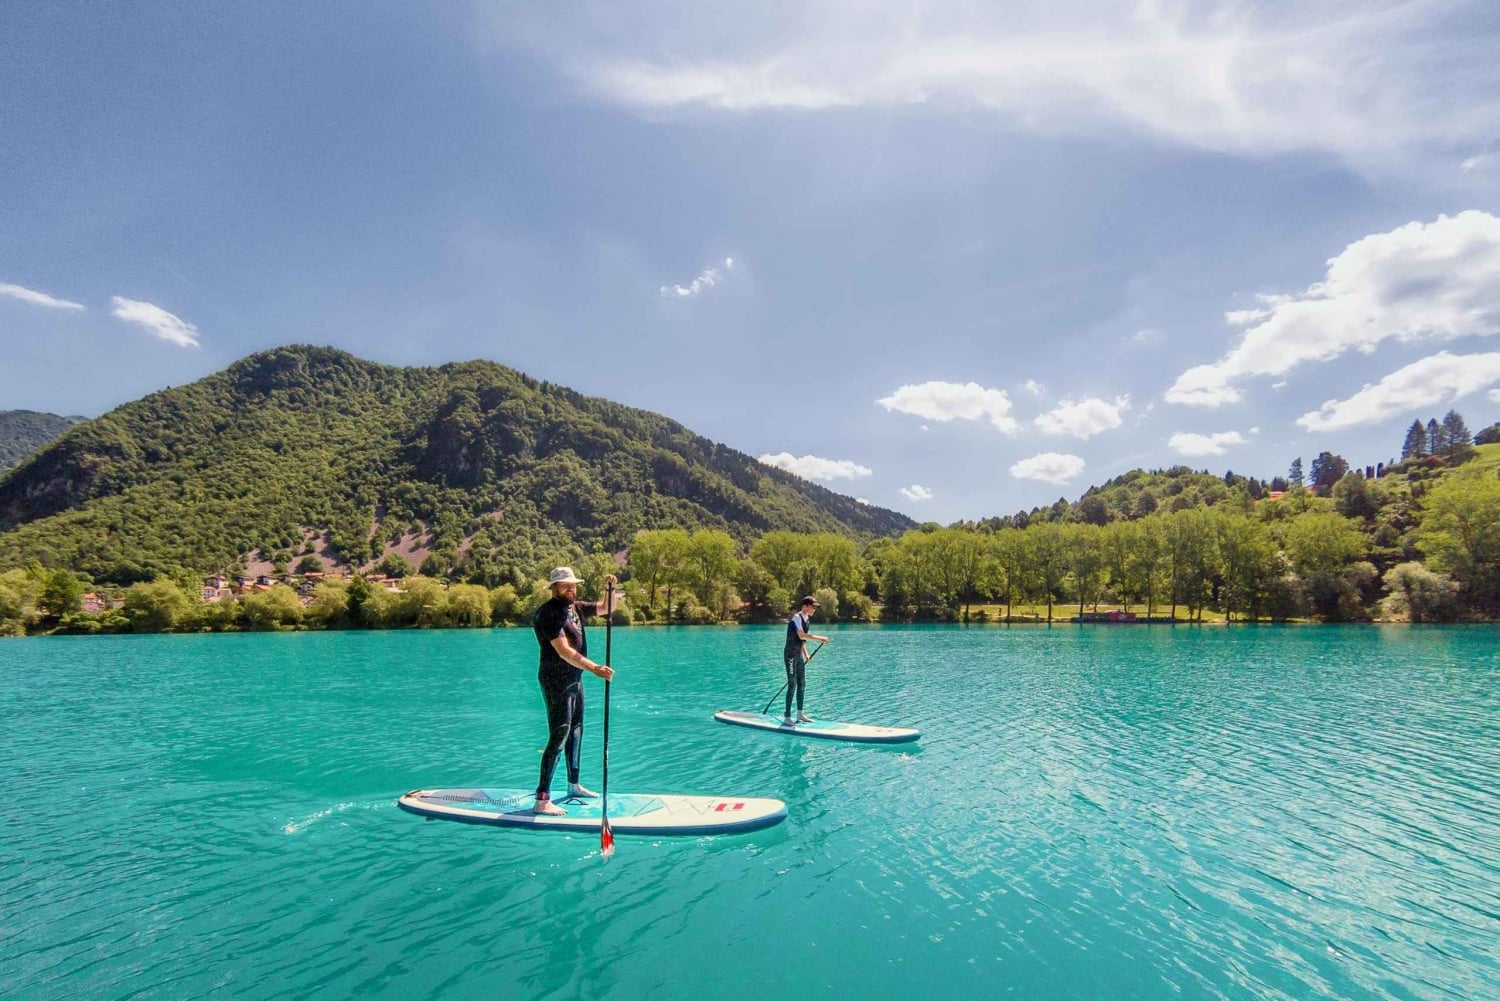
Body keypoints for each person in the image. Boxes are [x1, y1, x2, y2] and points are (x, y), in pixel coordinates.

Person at [531, 566, 621, 816]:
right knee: (559, 734)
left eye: (573, 584)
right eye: (565, 585)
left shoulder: (576, 607)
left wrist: (609, 589)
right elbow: (564, 652)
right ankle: (542, 799)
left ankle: (573, 785)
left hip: (574, 679)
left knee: (577, 732)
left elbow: (607, 608)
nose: (571, 588)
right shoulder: (547, 614)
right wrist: (595, 668)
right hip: (555, 681)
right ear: (554, 588)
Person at [782, 595, 830, 726]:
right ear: (805, 606)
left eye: (815, 607)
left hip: (799, 655)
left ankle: (800, 714)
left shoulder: (807, 620)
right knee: (792, 685)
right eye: (813, 607)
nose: (814, 609)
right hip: (790, 655)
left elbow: (801, 641)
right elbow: (802, 635)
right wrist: (820, 638)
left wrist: (806, 654)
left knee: (802, 684)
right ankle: (787, 717)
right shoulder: (797, 618)